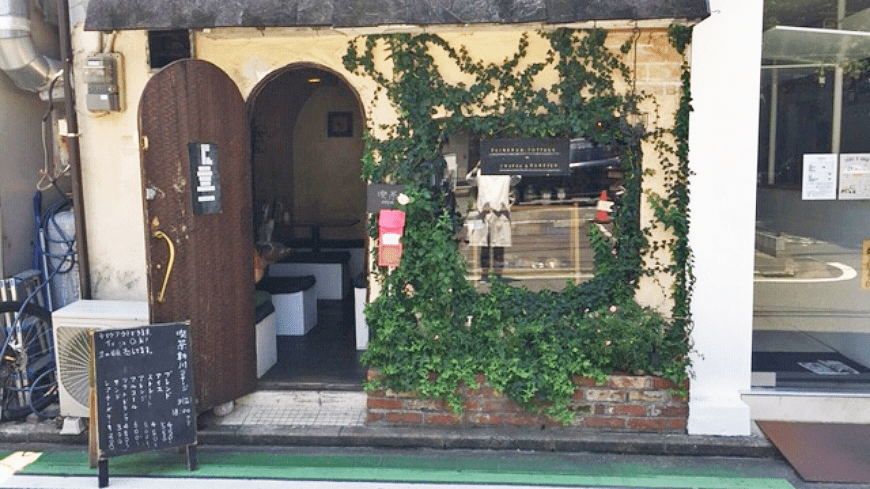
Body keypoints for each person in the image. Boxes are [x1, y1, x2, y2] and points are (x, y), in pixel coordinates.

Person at [465, 163, 520, 278]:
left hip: (500, 213)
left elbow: (517, 179)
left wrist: (508, 166)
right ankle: (484, 274)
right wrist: (477, 168)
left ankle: (497, 275)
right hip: (483, 213)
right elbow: (469, 180)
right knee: (483, 245)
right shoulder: (481, 172)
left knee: (499, 245)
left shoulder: (504, 173)